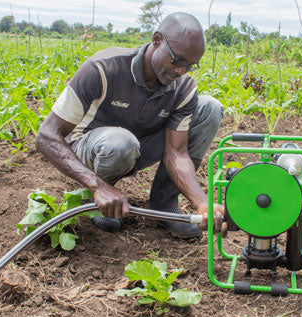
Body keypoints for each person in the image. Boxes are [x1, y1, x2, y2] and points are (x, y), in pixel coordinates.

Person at [36, 12, 226, 239]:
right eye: (177, 60)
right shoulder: (103, 69)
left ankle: (163, 206)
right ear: (157, 41)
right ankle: (103, 196)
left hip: (137, 144)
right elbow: (47, 135)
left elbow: (176, 153)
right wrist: (97, 186)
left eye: (190, 65)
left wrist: (202, 203)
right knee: (121, 143)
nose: (181, 71)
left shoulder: (183, 88)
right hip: (92, 148)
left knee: (209, 108)